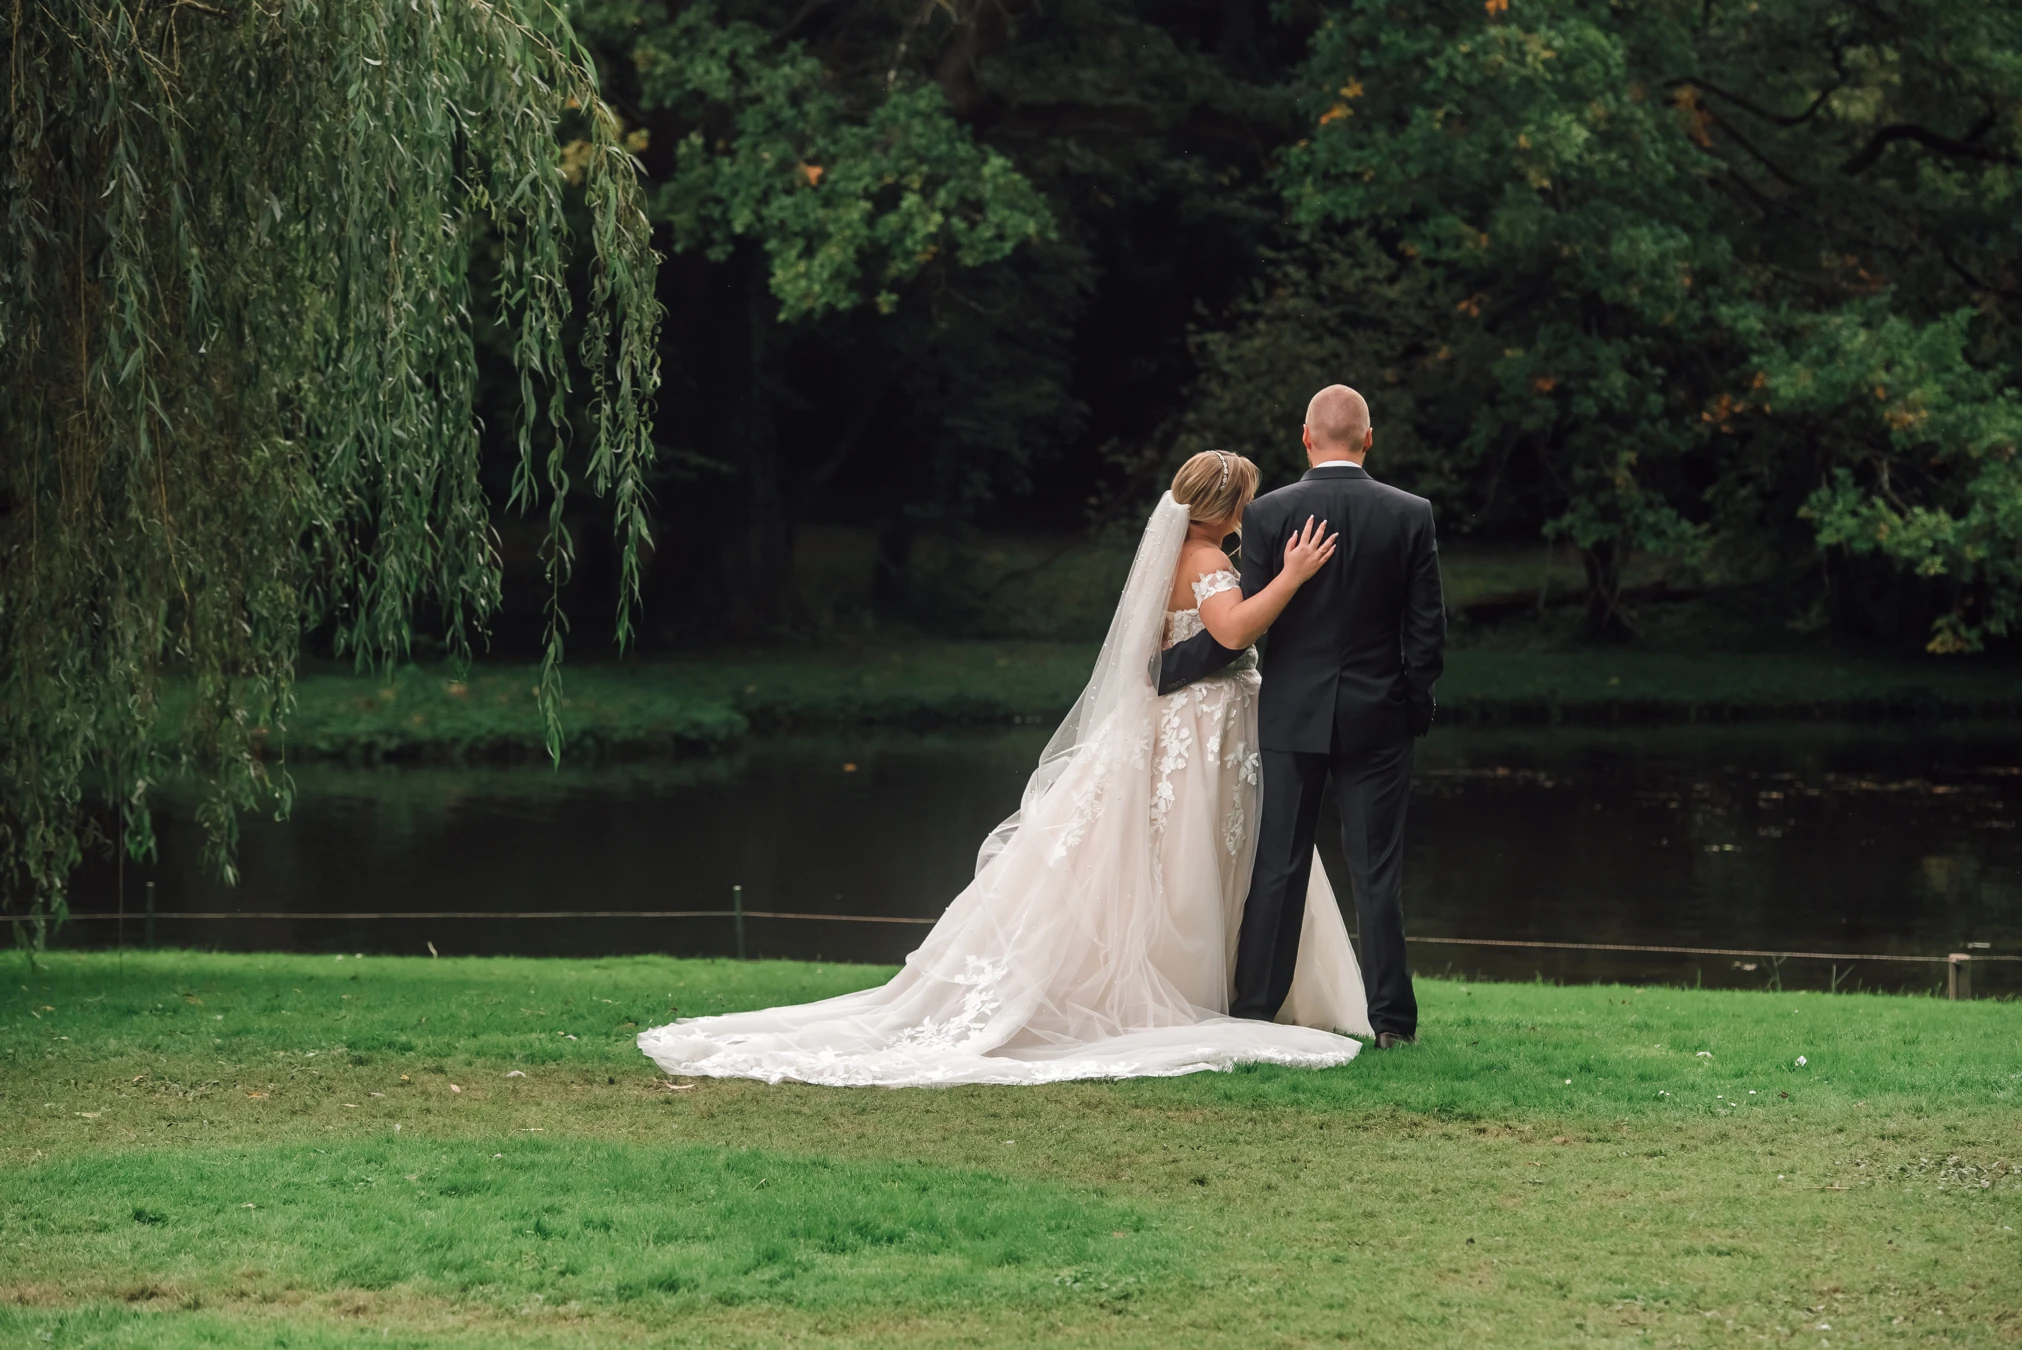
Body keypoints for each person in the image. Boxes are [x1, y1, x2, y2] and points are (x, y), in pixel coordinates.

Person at [637, 451, 1370, 1087]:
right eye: (1245, 499)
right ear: (1228, 506)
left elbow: (1148, 658)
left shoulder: (1170, 561)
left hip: (1178, 725)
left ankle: (1203, 984)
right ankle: (1203, 991)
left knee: (1172, 853)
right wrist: (1294, 576)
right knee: (1192, 854)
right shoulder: (1209, 561)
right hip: (1202, 727)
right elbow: (1234, 629)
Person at [1160, 385, 1445, 1048]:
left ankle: (1256, 1010)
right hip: (1379, 717)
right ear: (1367, 438)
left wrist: (1162, 672)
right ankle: (1393, 1026)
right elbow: (1427, 630)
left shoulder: (1269, 515)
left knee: (1278, 864)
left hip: (1290, 714)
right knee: (1376, 873)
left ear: (1306, 437)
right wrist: (1414, 703)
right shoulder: (1411, 514)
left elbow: (1248, 623)